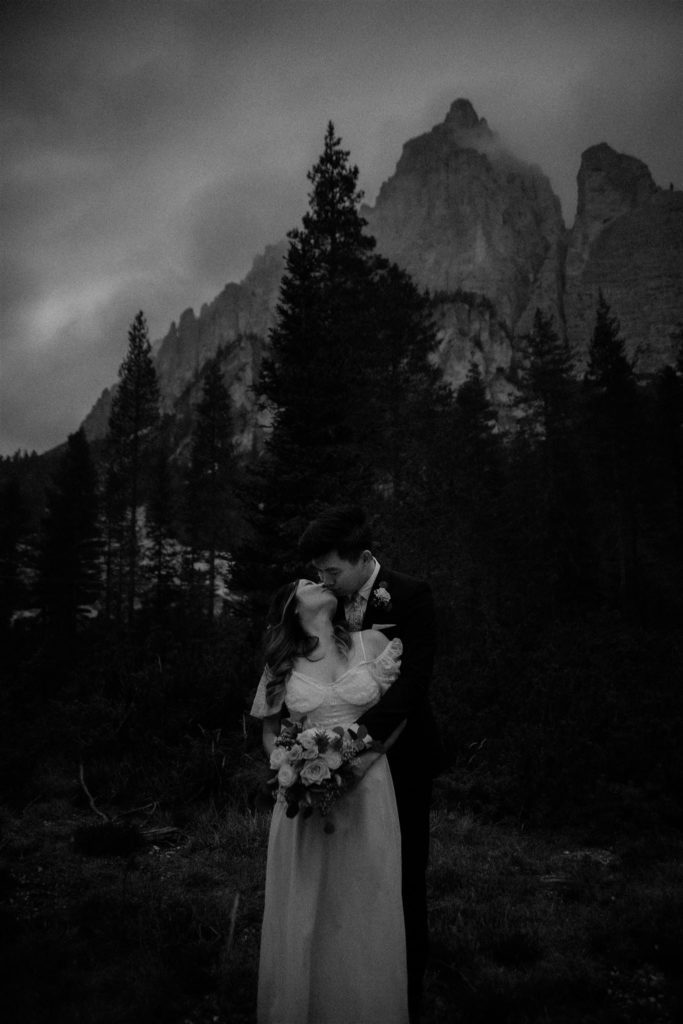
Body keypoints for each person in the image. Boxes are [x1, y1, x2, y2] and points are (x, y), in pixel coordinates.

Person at [298, 506, 438, 1022]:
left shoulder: (411, 595)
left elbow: (412, 684)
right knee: (349, 876)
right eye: (318, 571)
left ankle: (405, 997)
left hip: (402, 759)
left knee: (403, 876)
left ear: (362, 558)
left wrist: (356, 743)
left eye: (332, 570)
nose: (324, 580)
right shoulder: (325, 600)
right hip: (334, 761)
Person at [250, 577, 409, 1024]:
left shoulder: (371, 643)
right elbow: (269, 731)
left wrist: (364, 760)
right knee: (310, 902)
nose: (318, 580)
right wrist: (292, 764)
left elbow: (398, 715)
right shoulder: (282, 662)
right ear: (291, 606)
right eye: (306, 582)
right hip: (306, 799)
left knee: (365, 897)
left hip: (369, 789)